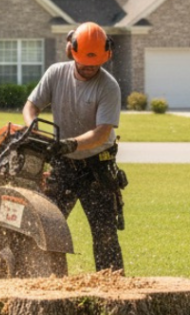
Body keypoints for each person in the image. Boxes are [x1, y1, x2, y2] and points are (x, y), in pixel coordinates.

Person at [22, 22, 126, 272]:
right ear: (72, 52)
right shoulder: (56, 73)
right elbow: (30, 106)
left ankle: (113, 290)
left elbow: (102, 133)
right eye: (85, 63)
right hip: (63, 165)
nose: (90, 68)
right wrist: (33, 128)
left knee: (105, 234)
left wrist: (70, 144)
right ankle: (39, 278)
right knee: (46, 224)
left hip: (97, 166)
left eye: (96, 64)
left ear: (106, 56)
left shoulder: (108, 86)